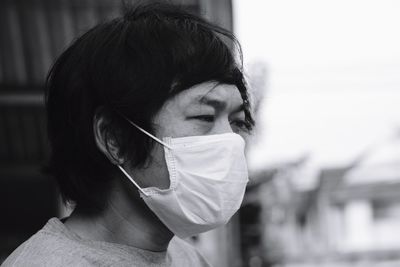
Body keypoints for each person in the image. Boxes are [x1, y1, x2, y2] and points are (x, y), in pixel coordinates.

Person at [2, 2, 255, 266]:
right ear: (115, 138)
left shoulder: (188, 258)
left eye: (236, 122)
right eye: (204, 117)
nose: (231, 141)